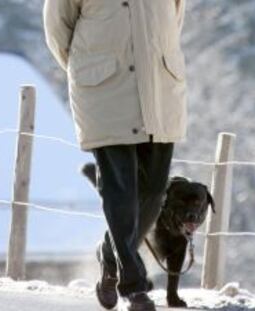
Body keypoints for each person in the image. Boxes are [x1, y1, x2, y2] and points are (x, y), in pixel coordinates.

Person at [43, 1, 187, 310]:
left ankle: (109, 256)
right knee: (120, 191)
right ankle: (134, 287)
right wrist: (88, 69)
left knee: (153, 193)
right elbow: (57, 29)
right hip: (104, 91)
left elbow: (173, 20)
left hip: (159, 91)